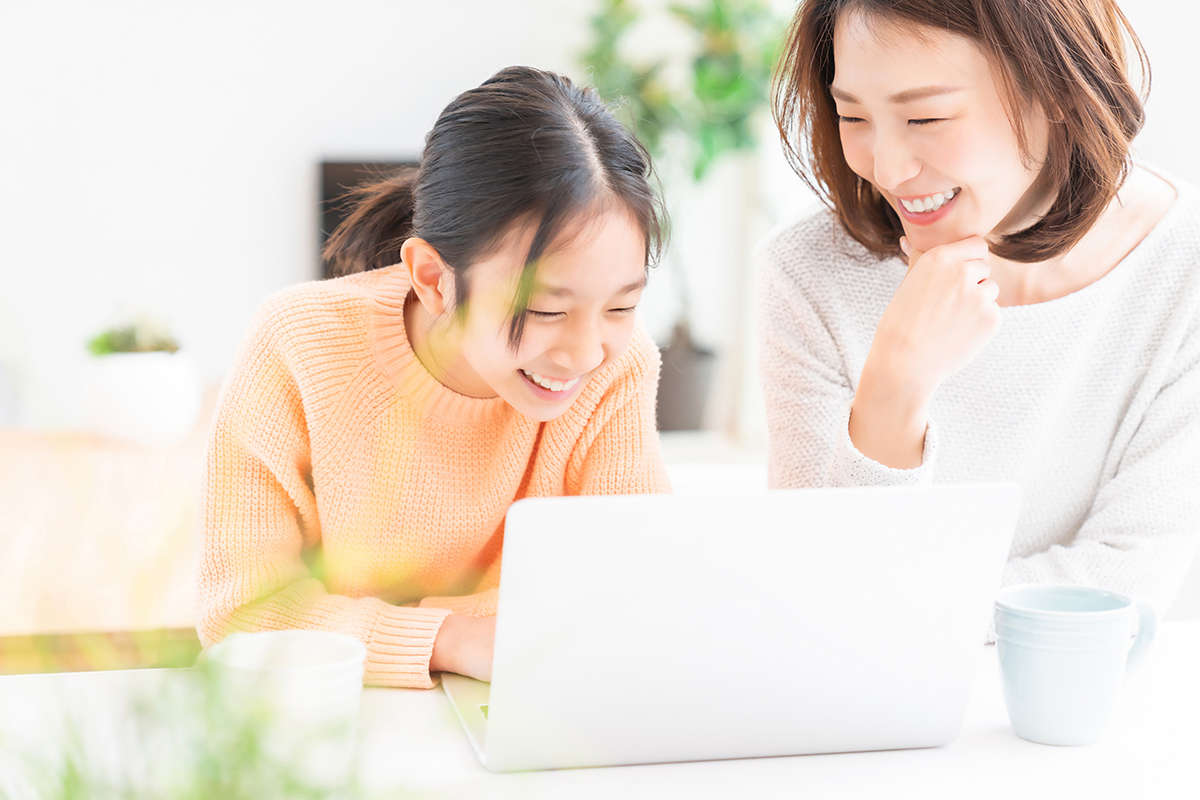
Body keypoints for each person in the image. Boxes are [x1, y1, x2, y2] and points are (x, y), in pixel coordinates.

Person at [197, 66, 670, 689]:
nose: (585, 353)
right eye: (546, 311)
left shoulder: (620, 366)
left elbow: (626, 597)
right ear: (433, 278)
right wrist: (450, 639)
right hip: (336, 715)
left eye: (620, 307)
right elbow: (241, 614)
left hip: (530, 703)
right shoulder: (296, 343)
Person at [760, 0, 1200, 615]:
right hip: (869, 703)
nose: (887, 168)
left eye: (926, 117)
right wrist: (894, 386)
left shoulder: (1183, 263)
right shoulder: (808, 271)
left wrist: (904, 603)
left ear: (1056, 91)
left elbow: (1127, 575)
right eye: (851, 115)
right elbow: (818, 585)